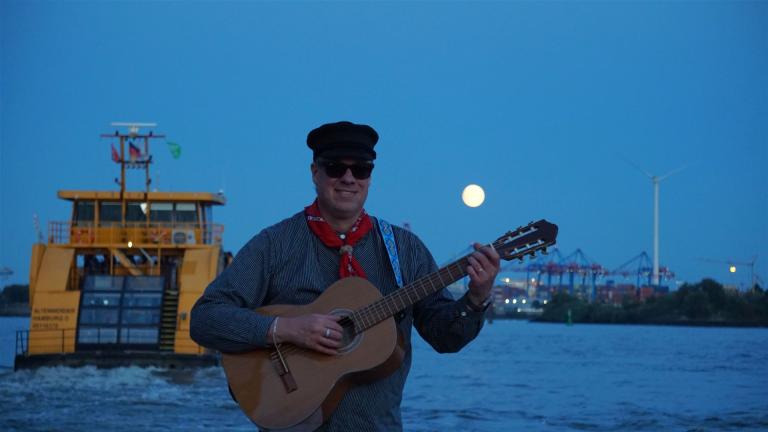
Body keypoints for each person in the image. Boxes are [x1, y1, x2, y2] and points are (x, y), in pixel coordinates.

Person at [190, 121, 500, 431]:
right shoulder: (275, 245)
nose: (348, 178)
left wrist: (476, 298)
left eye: (361, 169)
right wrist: (285, 329)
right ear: (315, 173)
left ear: (370, 177)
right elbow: (205, 319)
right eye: (336, 168)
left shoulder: (404, 250)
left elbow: (445, 337)